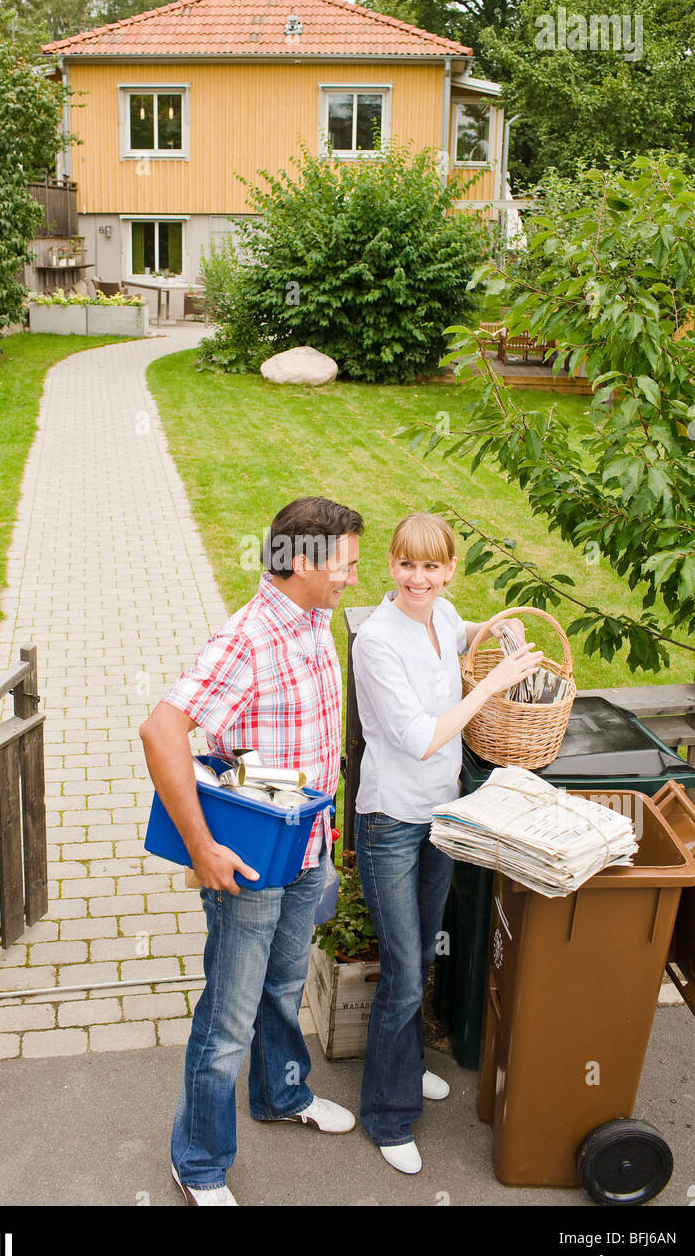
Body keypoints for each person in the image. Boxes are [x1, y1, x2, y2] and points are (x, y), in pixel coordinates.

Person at [139, 496, 364, 1207]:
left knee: (282, 987)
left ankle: (281, 1094)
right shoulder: (251, 637)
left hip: (306, 850)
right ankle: (199, 1161)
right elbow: (160, 730)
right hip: (251, 862)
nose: (352, 577)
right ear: (303, 563)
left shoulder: (313, 620)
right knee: (228, 1020)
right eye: (347, 564)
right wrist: (203, 847)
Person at [351, 512, 543, 1176]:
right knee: (404, 972)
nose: (419, 578)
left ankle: (401, 1068)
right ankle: (387, 1114)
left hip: (441, 815)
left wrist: (493, 633)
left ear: (450, 570)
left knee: (420, 959)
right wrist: (490, 684)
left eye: (432, 567)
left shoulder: (441, 614)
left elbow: (456, 632)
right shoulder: (375, 641)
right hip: (391, 822)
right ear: (391, 564)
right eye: (407, 564)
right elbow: (421, 737)